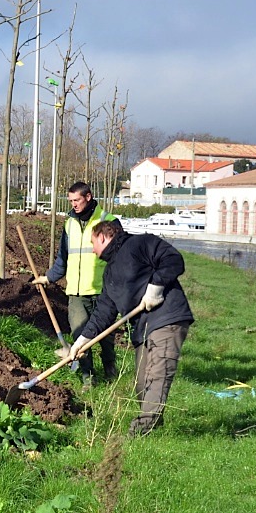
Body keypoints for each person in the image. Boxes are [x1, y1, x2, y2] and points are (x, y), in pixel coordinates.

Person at [70, 220, 194, 436]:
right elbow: (103, 314)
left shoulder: (141, 243)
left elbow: (173, 260)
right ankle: (155, 429)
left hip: (167, 319)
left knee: (157, 375)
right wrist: (82, 341)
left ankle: (140, 431)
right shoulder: (109, 274)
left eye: (92, 243)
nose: (92, 249)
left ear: (102, 237)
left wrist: (156, 288)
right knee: (142, 382)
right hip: (143, 328)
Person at [31, 181, 120, 383]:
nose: (74, 205)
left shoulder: (108, 221)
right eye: (70, 201)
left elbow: (120, 258)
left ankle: (110, 373)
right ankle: (88, 378)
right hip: (77, 292)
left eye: (77, 200)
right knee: (80, 336)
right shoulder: (69, 223)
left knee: (106, 339)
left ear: (88, 197)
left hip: (103, 292)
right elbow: (64, 256)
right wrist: (49, 277)